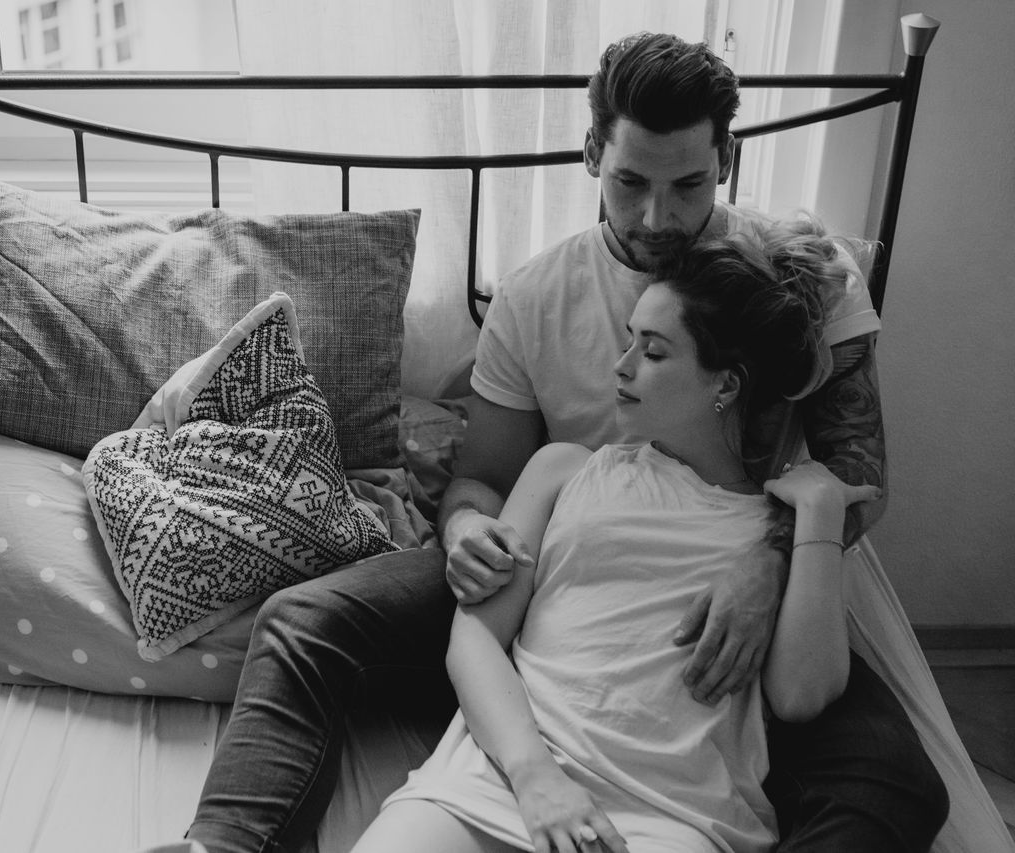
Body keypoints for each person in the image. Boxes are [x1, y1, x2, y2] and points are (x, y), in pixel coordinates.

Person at [182, 32, 946, 853]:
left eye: (688, 183)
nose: (659, 217)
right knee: (306, 620)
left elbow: (857, 464)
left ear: (726, 157)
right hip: (559, 552)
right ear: (591, 153)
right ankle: (220, 845)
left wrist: (771, 562)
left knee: (896, 781)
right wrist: (469, 531)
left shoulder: (791, 276)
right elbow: (482, 482)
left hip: (737, 574)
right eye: (630, 183)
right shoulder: (537, 296)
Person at [351, 222, 876, 853]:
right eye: (631, 341)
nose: (621, 367)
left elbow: (801, 695)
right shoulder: (563, 469)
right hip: (496, 781)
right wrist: (535, 776)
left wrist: (818, 514)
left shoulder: (780, 532)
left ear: (726, 385)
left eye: (653, 353)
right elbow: (473, 641)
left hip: (671, 814)